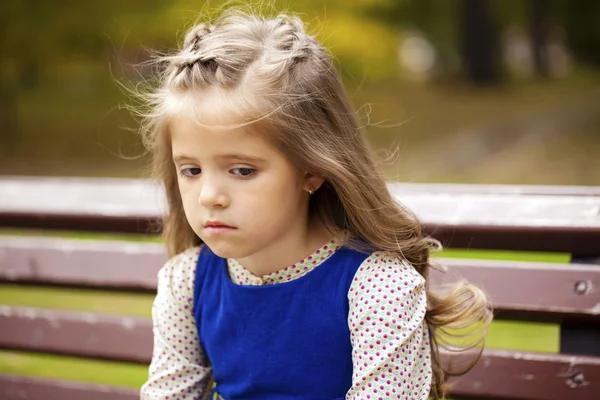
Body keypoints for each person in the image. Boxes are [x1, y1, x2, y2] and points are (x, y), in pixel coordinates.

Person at [138, 9, 492, 400]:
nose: (209, 196)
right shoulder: (186, 282)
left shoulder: (377, 287)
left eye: (241, 171)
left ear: (311, 169)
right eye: (191, 170)